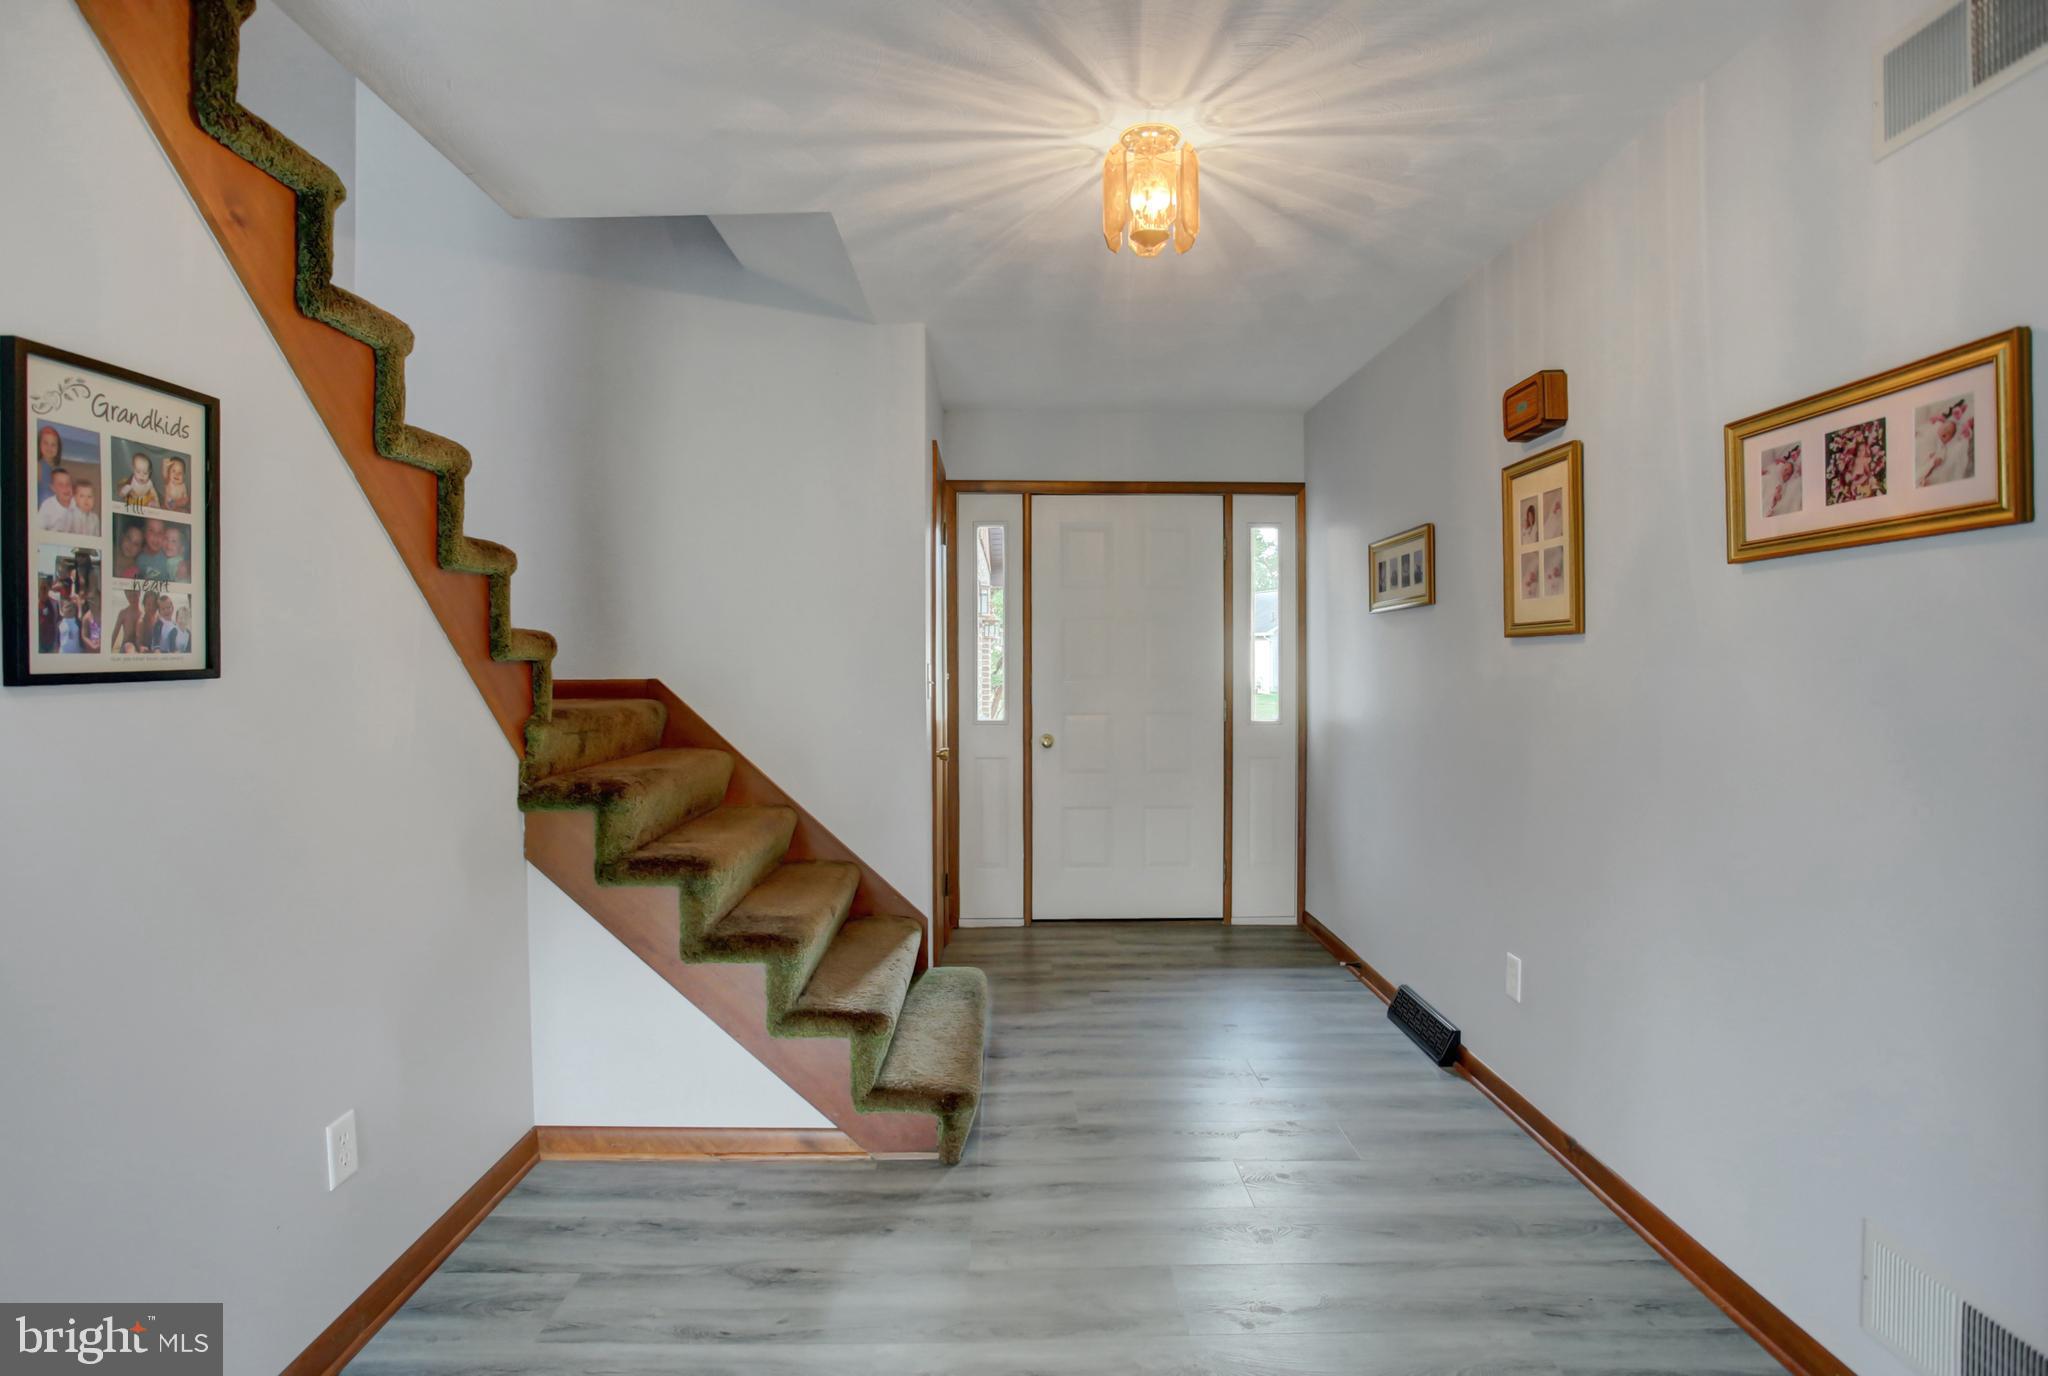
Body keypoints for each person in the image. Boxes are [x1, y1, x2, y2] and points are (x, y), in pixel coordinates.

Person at [37, 468, 82, 533]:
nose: (65, 487)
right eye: (60, 484)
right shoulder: (47, 505)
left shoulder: (77, 502)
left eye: (68, 484)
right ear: (53, 488)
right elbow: (39, 528)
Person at [109, 589, 143, 655]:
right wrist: (108, 650)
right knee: (129, 646)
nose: (132, 599)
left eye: (135, 595)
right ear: (126, 595)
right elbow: (115, 632)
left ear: (139, 593)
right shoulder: (123, 613)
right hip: (126, 646)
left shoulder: (143, 613)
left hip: (139, 646)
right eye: (130, 596)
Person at [36, 425, 62, 508]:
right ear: (39, 445)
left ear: (58, 448)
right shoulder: (38, 466)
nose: (49, 447)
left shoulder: (60, 470)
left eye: (53, 444)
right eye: (45, 443)